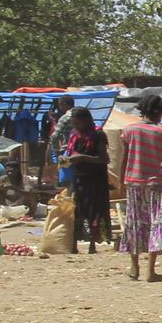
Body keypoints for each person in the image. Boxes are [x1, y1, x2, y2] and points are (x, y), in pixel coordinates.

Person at [117, 92, 162, 281]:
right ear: (159, 112)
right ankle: (151, 271)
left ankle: (134, 268)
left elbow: (124, 158)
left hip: (133, 181)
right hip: (154, 182)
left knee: (134, 223)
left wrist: (120, 180)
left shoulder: (128, 130)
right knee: (155, 223)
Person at [59, 106, 112, 253]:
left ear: (85, 120)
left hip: (95, 179)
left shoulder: (98, 134)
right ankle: (74, 243)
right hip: (78, 178)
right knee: (77, 210)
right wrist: (65, 159)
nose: (75, 125)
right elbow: (71, 153)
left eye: (77, 122)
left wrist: (82, 158)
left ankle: (92, 244)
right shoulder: (74, 134)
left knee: (93, 210)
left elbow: (104, 159)